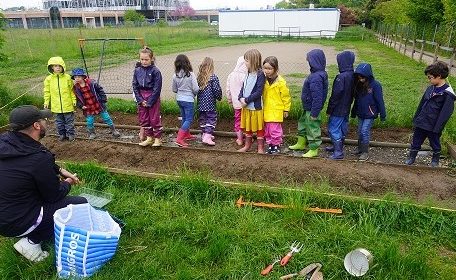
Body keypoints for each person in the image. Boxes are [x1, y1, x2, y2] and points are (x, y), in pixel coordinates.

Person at [0, 105, 87, 262]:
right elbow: (54, 196)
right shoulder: (38, 159)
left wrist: (59, 169)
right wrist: (67, 182)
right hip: (16, 222)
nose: (47, 122)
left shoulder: (6, 142)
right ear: (36, 125)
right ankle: (31, 242)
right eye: (44, 120)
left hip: (4, 215)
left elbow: (30, 161)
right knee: (80, 204)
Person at [405, 61, 455, 167]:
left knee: (435, 143)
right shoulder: (430, 88)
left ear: (439, 76)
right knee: (416, 140)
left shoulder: (447, 94)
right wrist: (416, 119)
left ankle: (435, 158)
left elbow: (445, 114)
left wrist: (437, 128)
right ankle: (412, 157)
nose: (429, 79)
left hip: (433, 125)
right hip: (422, 121)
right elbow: (421, 104)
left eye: (430, 77)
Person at [289, 49, 328, 158]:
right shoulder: (316, 74)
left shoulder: (316, 77)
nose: (309, 63)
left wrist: (315, 113)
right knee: (303, 124)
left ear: (315, 61)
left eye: (309, 61)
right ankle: (301, 143)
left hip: (312, 109)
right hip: (307, 107)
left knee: (312, 128)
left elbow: (318, 97)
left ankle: (313, 149)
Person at [72, 67, 121, 139]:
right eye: (75, 77)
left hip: (98, 104)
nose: (77, 78)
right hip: (88, 107)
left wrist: (103, 99)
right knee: (89, 121)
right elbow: (77, 99)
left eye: (79, 76)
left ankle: (113, 130)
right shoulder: (76, 88)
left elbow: (100, 90)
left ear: (83, 77)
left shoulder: (91, 83)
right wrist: (81, 106)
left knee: (107, 117)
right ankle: (92, 133)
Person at [350, 63, 386, 161]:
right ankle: (359, 149)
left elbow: (380, 100)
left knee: (364, 131)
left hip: (370, 114)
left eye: (362, 77)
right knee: (360, 132)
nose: (360, 79)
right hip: (361, 113)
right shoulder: (359, 85)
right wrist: (353, 112)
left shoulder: (375, 85)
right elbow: (357, 100)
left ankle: (365, 152)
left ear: (368, 75)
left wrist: (383, 114)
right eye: (359, 77)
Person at [325, 51, 356, 160]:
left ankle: (338, 152)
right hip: (347, 107)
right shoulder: (354, 76)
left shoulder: (341, 77)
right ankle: (337, 147)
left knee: (333, 129)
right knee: (342, 128)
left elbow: (335, 95)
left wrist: (330, 109)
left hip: (338, 108)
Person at [133, 46, 163, 147]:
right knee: (144, 118)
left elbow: (157, 88)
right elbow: (135, 85)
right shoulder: (137, 70)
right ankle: (149, 137)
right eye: (142, 59)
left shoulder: (156, 71)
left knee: (154, 118)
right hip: (141, 96)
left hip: (152, 97)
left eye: (146, 59)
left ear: (152, 59)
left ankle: (158, 139)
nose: (144, 61)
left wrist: (150, 101)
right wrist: (140, 100)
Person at [237, 49, 266, 153]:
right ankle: (247, 146)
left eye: (246, 60)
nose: (245, 62)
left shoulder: (260, 74)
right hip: (246, 107)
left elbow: (259, 92)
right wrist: (240, 98)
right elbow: (243, 88)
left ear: (253, 61)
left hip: (256, 107)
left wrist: (246, 100)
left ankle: (260, 148)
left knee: (259, 129)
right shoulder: (247, 73)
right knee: (247, 128)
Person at [262, 56, 291, 155]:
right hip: (266, 109)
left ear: (276, 68)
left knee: (275, 130)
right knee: (267, 130)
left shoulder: (281, 82)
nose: (267, 71)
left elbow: (286, 97)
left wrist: (286, 109)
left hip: (276, 110)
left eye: (269, 68)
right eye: (265, 68)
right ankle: (270, 145)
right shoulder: (263, 80)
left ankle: (276, 145)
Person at [43, 56, 76, 141]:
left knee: (69, 122)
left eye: (59, 66)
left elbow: (72, 90)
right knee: (59, 122)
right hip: (56, 107)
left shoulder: (68, 77)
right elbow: (47, 91)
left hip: (67, 105)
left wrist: (74, 100)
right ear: (51, 67)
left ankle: (70, 134)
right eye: (55, 66)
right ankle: (62, 134)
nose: (58, 68)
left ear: (63, 67)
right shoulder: (48, 79)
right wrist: (46, 102)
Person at [172, 54, 200, 147]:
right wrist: (193, 94)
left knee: (184, 118)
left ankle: (186, 135)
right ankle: (179, 139)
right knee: (189, 119)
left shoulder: (175, 76)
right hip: (188, 100)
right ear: (187, 63)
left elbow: (174, 89)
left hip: (179, 99)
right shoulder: (191, 75)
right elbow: (196, 88)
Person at [197, 57, 222, 146]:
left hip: (201, 104)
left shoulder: (199, 77)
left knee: (203, 119)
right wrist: (219, 97)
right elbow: (216, 89)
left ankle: (205, 134)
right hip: (210, 104)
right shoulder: (213, 77)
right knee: (211, 119)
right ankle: (207, 136)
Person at [226, 56, 248, 146]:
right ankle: (247, 138)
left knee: (238, 121)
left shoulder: (231, 75)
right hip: (246, 104)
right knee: (246, 121)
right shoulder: (246, 76)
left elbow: (228, 89)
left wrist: (229, 99)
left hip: (236, 104)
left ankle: (239, 139)